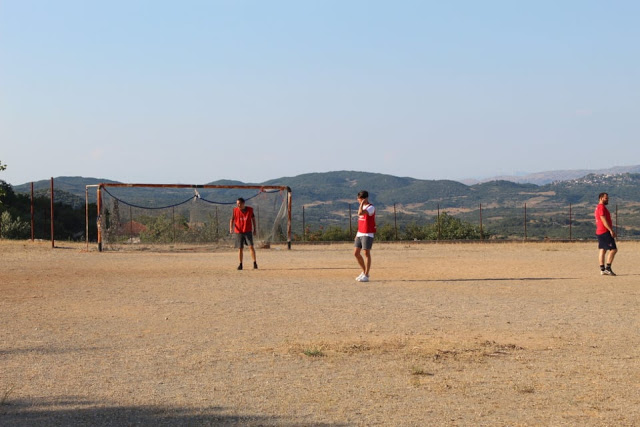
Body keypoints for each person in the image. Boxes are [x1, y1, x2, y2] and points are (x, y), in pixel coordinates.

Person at [230, 197, 258, 270]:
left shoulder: (250, 210)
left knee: (251, 246)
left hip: (248, 230)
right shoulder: (235, 210)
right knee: (240, 248)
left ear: (243, 203)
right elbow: (232, 220)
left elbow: (253, 220)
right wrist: (231, 228)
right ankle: (240, 264)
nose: (238, 205)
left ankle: (254, 263)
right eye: (237, 204)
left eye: (239, 203)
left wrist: (255, 229)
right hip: (239, 232)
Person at [354, 190, 376, 282]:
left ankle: (366, 274)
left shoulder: (371, 208)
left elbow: (360, 213)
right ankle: (363, 272)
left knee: (366, 253)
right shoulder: (362, 207)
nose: (358, 200)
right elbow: (360, 220)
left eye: (359, 199)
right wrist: (357, 234)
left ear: (364, 199)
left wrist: (362, 204)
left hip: (367, 233)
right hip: (360, 232)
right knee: (356, 253)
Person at [595, 192, 617, 276]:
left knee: (603, 249)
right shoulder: (601, 207)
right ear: (601, 198)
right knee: (613, 249)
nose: (607, 200)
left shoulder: (599, 207)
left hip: (599, 231)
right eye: (606, 198)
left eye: (607, 198)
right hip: (604, 231)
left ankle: (602, 269)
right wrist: (610, 230)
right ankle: (608, 268)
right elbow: (603, 220)